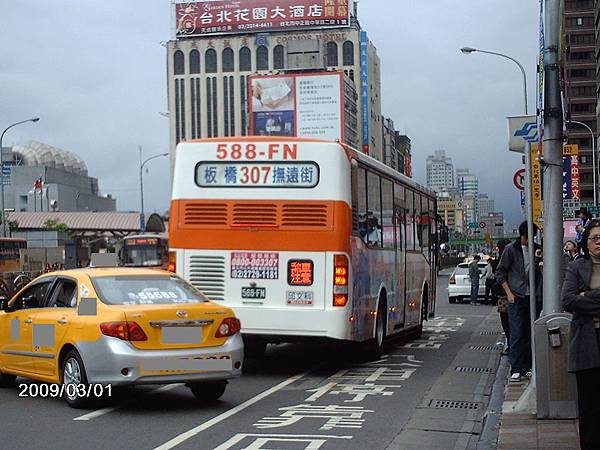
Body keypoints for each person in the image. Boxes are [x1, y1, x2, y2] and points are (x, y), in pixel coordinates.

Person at [561, 219, 600, 449]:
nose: (599, 242)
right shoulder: (577, 267)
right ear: (586, 242)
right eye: (594, 238)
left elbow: (579, 300)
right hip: (587, 341)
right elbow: (567, 300)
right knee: (589, 405)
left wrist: (588, 296)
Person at [495, 221, 541, 382]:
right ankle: (516, 368)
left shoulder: (537, 249)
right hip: (516, 296)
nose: (530, 240)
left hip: (533, 296)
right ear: (522, 235)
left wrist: (538, 261)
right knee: (516, 332)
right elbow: (500, 272)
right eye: (528, 236)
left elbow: (537, 272)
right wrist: (508, 293)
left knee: (530, 332)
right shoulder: (511, 249)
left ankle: (527, 366)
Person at [494, 238, 512, 355]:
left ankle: (511, 345)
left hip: (504, 296)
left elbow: (498, 277)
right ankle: (512, 345)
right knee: (513, 322)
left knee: (507, 322)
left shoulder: (500, 261)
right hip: (513, 295)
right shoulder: (512, 258)